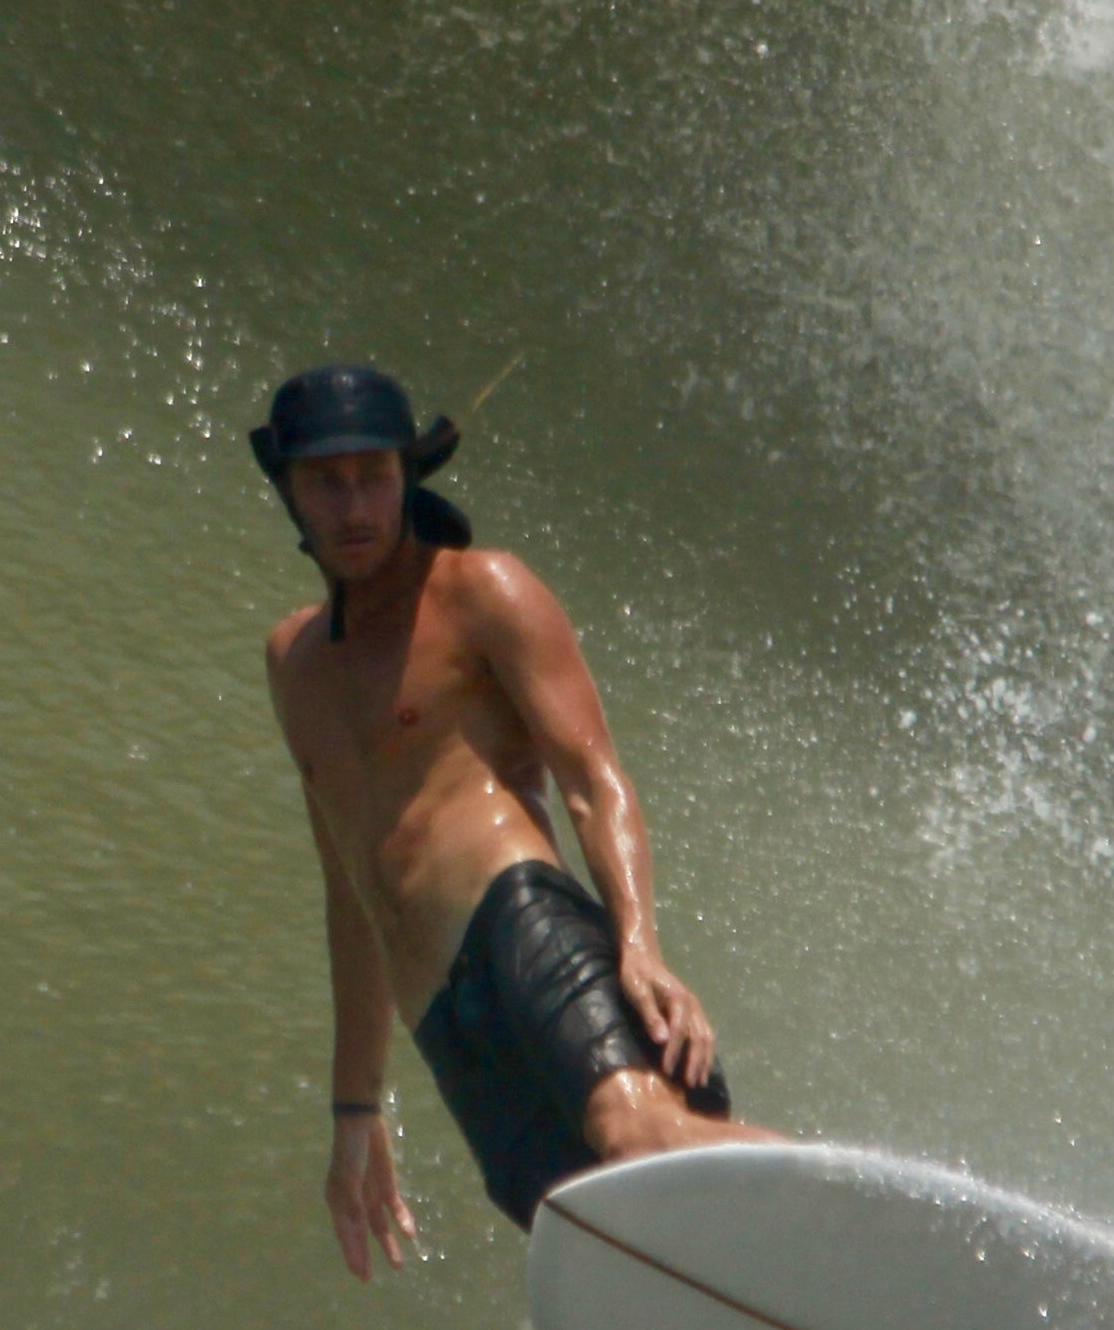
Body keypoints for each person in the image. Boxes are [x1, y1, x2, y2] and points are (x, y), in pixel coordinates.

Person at [253, 363, 770, 1277]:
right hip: (441, 1015)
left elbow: (592, 780)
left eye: (373, 474)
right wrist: (354, 1109)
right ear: (288, 491)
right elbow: (349, 892)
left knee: (638, 1133)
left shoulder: (480, 591)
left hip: (516, 921)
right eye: (325, 482)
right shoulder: (294, 662)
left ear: (408, 476)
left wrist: (640, 944)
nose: (354, 503)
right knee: (603, 1237)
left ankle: (907, 1210)